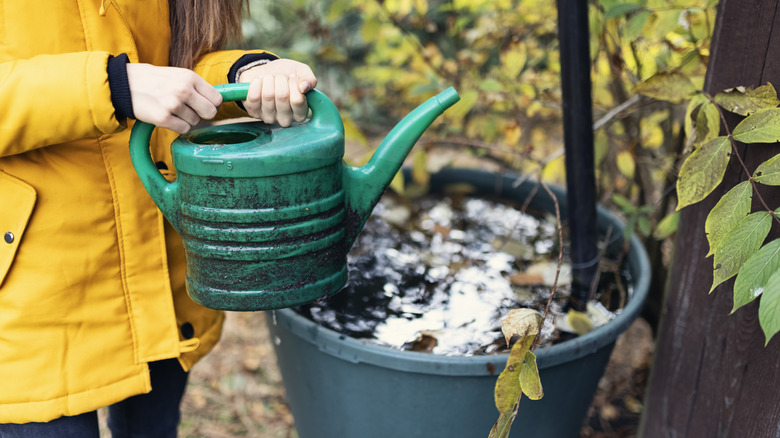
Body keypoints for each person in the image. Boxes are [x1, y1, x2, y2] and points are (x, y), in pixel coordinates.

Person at [0, 1, 317, 436]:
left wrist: (242, 72)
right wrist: (112, 86)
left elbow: (178, 63)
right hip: (31, 295)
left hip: (159, 270)